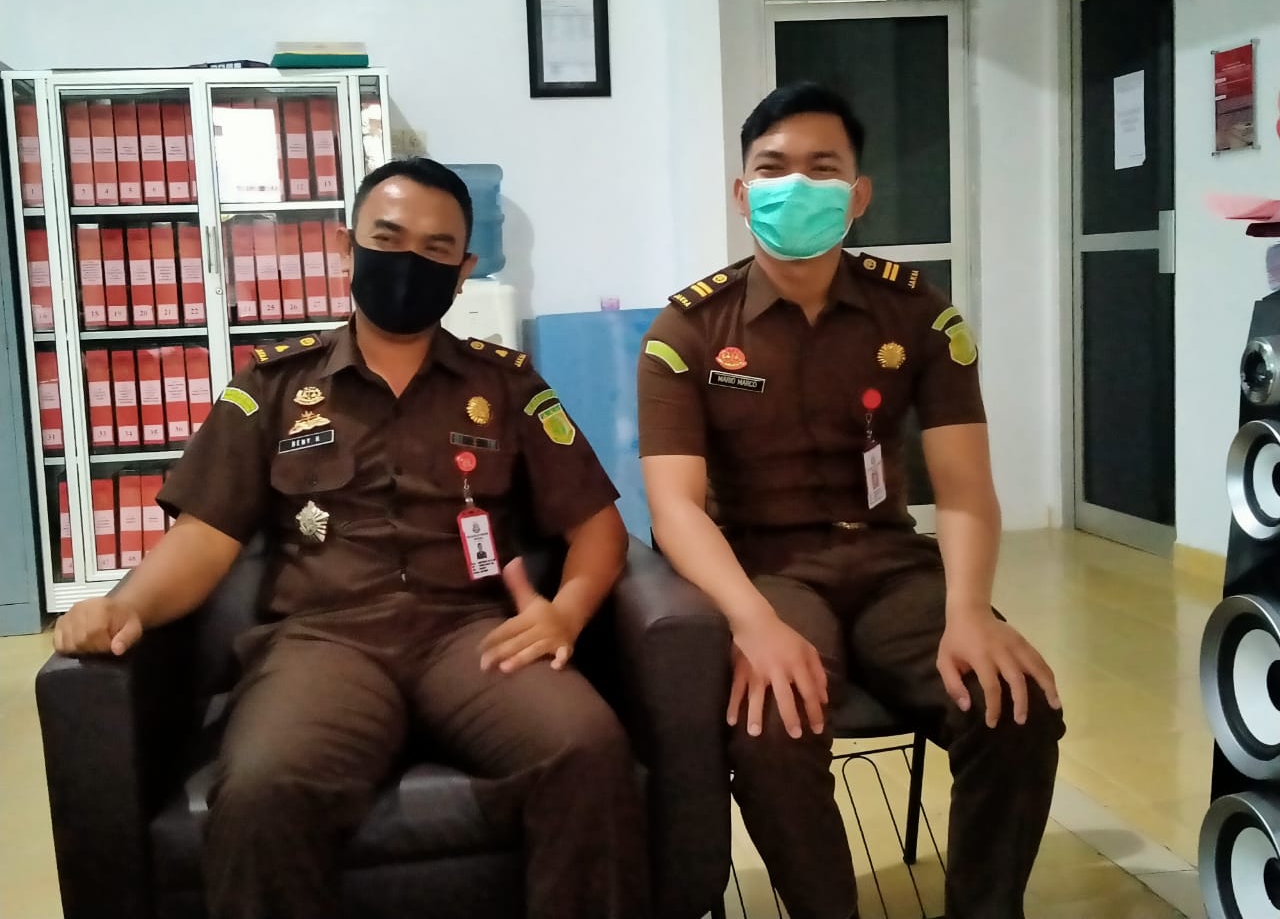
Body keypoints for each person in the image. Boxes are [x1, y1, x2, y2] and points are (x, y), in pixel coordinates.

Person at [53, 158, 646, 919]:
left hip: (470, 635)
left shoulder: (507, 385)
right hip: (324, 640)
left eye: (436, 249)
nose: (409, 263)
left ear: (464, 270)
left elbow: (598, 526)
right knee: (265, 786)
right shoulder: (272, 386)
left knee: (585, 748)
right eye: (388, 240)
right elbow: (204, 536)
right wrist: (126, 606)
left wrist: (566, 612)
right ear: (347, 247)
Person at [636, 82, 1065, 919]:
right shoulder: (687, 331)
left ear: (858, 194)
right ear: (742, 192)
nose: (796, 185)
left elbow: (965, 489)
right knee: (767, 728)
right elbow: (675, 509)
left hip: (891, 564)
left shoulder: (918, 314)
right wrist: (751, 624)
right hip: (765, 571)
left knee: (1015, 703)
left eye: (822, 167)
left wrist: (970, 613)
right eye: (773, 168)